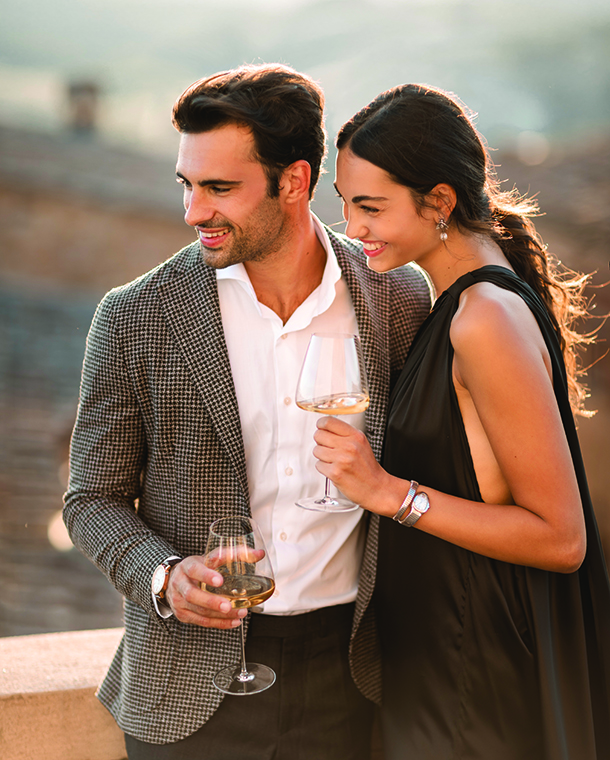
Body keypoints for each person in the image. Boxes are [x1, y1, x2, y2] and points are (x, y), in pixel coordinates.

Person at [63, 65, 431, 760]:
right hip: (187, 690)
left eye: (220, 188)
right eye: (188, 184)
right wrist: (165, 577)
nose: (194, 211)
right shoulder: (134, 315)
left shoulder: (399, 299)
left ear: (293, 182)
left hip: (356, 680)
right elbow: (91, 500)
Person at [313, 84, 610, 760]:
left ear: (439, 202)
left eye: (371, 206)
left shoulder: (485, 319)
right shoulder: (455, 300)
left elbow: (562, 538)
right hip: (441, 662)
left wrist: (389, 493)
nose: (353, 228)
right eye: (345, 203)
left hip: (472, 680)